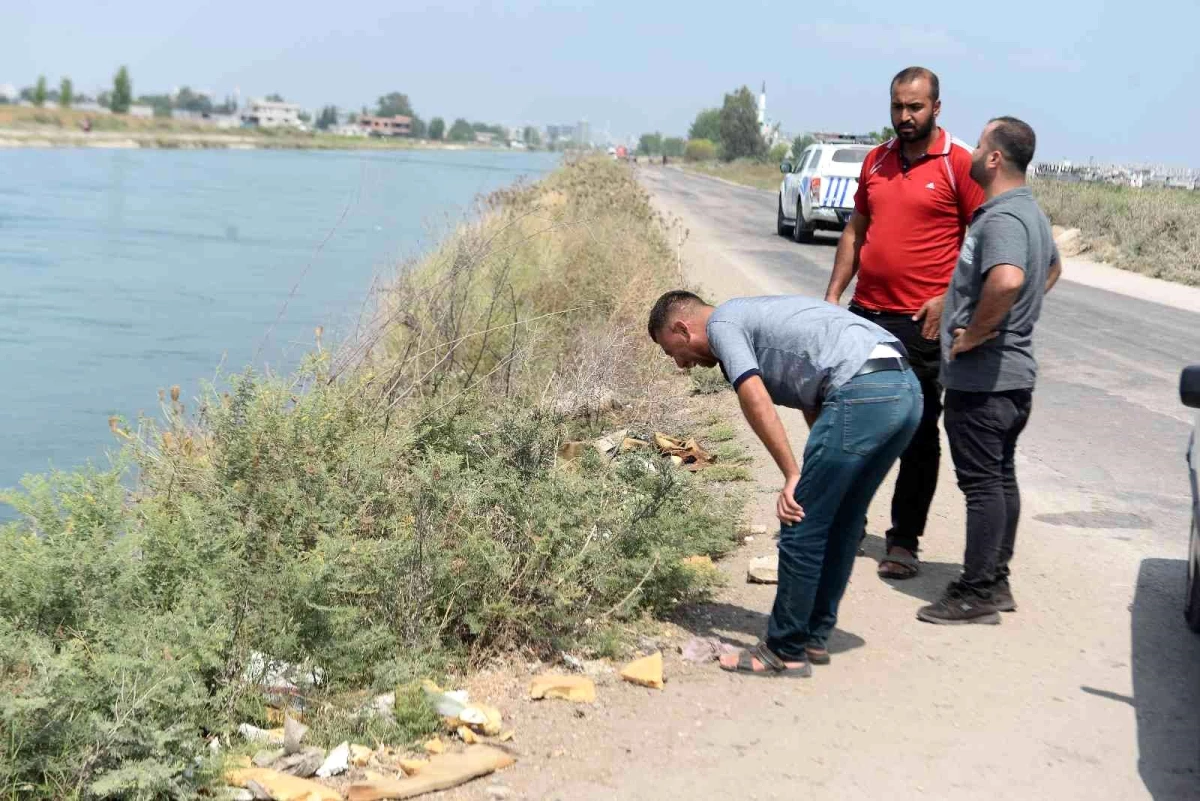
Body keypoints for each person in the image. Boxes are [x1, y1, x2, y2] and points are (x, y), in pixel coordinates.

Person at [647, 291, 921, 675]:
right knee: (841, 522)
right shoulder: (755, 319)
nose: (680, 364)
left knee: (799, 522)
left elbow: (753, 395)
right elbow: (817, 402)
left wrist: (794, 475)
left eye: (671, 351)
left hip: (864, 392)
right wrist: (814, 472)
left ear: (681, 327)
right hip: (903, 391)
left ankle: (783, 649)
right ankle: (812, 638)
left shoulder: (723, 324)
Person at [823, 66, 985, 580]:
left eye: (914, 107)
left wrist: (948, 297)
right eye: (897, 106)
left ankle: (903, 540)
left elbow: (985, 242)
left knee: (916, 432)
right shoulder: (877, 160)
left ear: (937, 107)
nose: (904, 116)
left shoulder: (960, 165)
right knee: (851, 425)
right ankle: (848, 525)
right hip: (866, 316)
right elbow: (856, 230)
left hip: (923, 326)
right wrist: (832, 297)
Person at [916, 117, 1062, 625]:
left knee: (981, 486)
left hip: (986, 380)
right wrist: (1015, 318)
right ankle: (995, 581)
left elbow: (1006, 279)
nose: (972, 152)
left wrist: (978, 331)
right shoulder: (1030, 214)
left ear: (996, 158)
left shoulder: (1001, 218)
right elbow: (1052, 270)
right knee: (999, 480)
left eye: (979, 145)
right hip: (1012, 378)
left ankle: (977, 590)